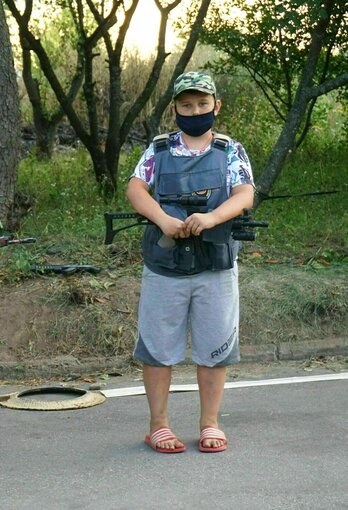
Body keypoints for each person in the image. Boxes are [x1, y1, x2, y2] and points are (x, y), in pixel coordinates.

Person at [126, 71, 255, 454]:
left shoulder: (231, 150)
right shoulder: (159, 149)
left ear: (216, 106)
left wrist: (212, 218)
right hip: (165, 264)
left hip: (215, 264)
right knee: (157, 346)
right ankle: (159, 426)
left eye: (202, 104)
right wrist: (164, 220)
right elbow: (135, 187)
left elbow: (245, 193)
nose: (195, 111)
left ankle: (209, 424)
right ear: (175, 109)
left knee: (215, 346)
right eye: (186, 105)